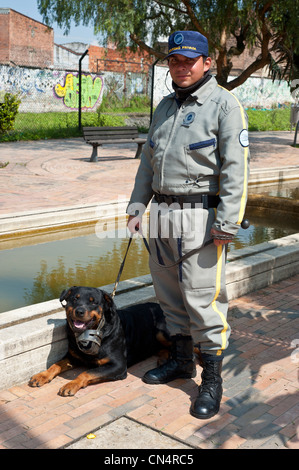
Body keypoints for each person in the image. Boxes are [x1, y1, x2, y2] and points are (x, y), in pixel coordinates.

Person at [126, 30, 250, 419]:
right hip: (162, 214)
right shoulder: (163, 106)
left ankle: (212, 379)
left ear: (207, 62)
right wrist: (136, 207)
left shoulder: (224, 105)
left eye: (190, 60)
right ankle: (181, 362)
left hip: (201, 217)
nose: (181, 67)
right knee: (169, 295)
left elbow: (236, 170)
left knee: (202, 299)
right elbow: (148, 162)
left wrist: (227, 222)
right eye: (175, 60)